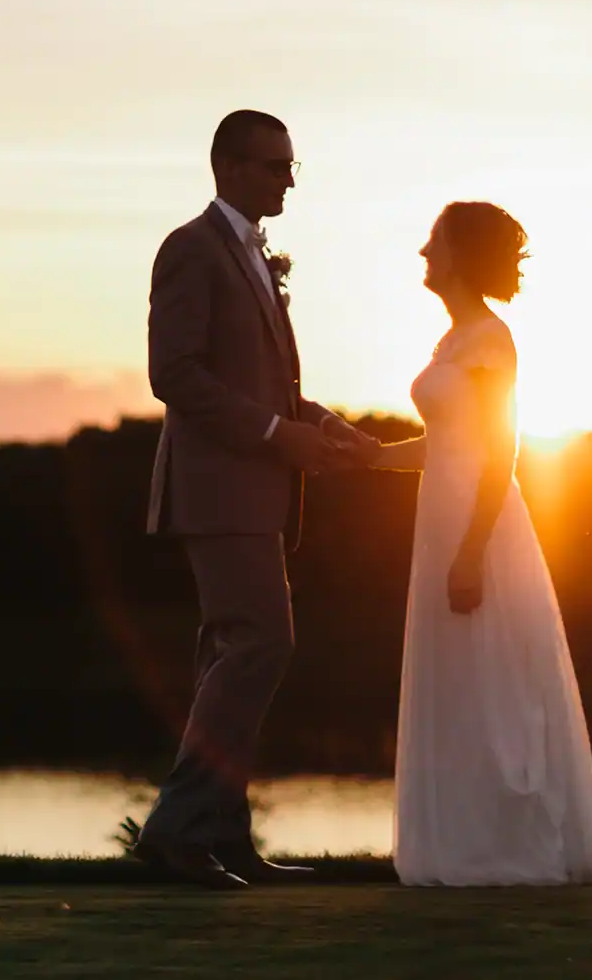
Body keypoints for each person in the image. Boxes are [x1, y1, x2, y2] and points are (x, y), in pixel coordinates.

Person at [132, 109, 380, 889]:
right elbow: (174, 373)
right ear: (230, 167)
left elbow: (264, 381)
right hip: (219, 492)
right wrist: (279, 433)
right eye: (276, 166)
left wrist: (319, 423)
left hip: (257, 495)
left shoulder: (252, 256)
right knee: (262, 642)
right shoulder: (191, 249)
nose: (289, 180)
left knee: (228, 656)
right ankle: (176, 831)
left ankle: (223, 839)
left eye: (290, 164)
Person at [370, 202, 592, 887]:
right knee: (459, 684)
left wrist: (470, 551)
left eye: (434, 241)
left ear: (459, 254)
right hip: (443, 521)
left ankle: (509, 842)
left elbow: (500, 451)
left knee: (497, 687)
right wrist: (366, 454)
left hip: (478, 527)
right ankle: (462, 837)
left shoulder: (491, 338)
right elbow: (443, 446)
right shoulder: (454, 341)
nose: (424, 252)